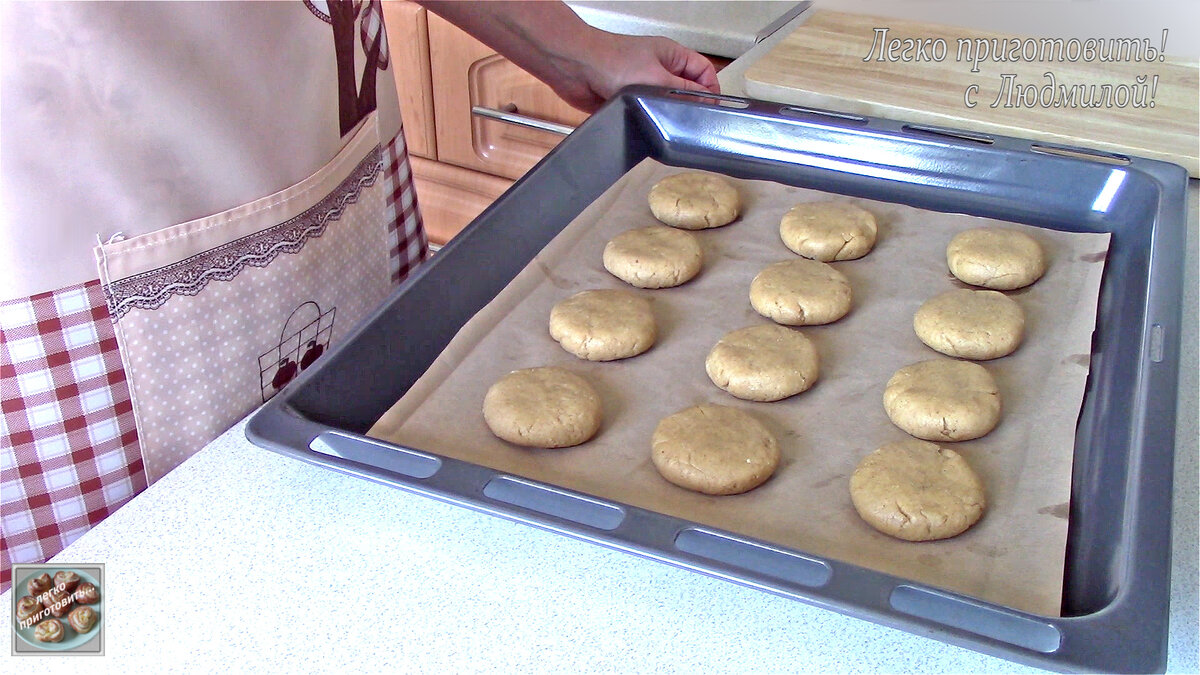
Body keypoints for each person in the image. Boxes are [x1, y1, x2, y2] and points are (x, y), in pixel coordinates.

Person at [0, 0, 719, 592]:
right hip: (62, 240)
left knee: (366, 540)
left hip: (327, 150)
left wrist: (571, 46)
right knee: (87, 614)